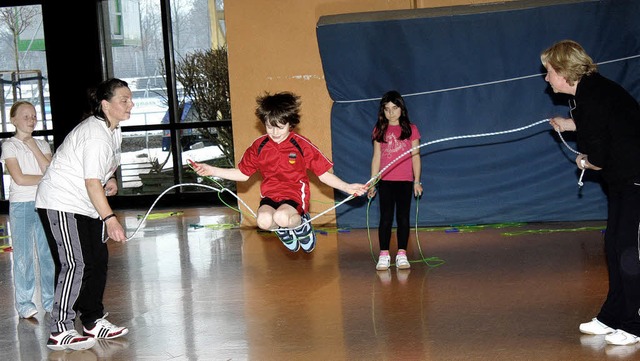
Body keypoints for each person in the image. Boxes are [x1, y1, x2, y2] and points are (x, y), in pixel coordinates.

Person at [542, 40, 640, 346]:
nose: (546, 79)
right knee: (613, 245)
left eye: (548, 72)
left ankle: (636, 323)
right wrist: (568, 125)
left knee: (629, 251)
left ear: (563, 71)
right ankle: (613, 316)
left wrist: (584, 160)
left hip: (636, 178)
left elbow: (597, 155)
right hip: (623, 180)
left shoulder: (593, 96)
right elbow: (598, 123)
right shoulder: (588, 93)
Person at [192, 91, 367, 253]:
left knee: (282, 216)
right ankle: (284, 231)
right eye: (269, 127)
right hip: (270, 195)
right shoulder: (259, 146)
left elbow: (323, 174)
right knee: (263, 222)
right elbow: (243, 174)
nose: (274, 132)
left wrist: (347, 187)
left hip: (294, 195)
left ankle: (302, 224)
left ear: (291, 124)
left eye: (280, 127)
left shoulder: (301, 145)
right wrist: (211, 170)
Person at [35, 78, 132, 351]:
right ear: (105, 104)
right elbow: (91, 182)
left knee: (97, 261)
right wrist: (110, 218)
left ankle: (92, 320)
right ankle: (60, 329)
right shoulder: (95, 134)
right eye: (123, 100)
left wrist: (110, 178)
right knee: (75, 264)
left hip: (86, 203)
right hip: (62, 202)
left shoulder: (113, 131)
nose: (130, 104)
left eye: (130, 99)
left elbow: (100, 172)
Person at [0, 101, 54, 319]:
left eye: (34, 116)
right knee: (23, 257)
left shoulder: (42, 144)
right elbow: (20, 179)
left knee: (48, 254)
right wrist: (47, 178)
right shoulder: (9, 146)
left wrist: (32, 146)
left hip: (44, 203)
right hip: (21, 205)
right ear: (13, 120)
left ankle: (51, 301)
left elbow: (51, 170)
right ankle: (24, 303)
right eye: (26, 116)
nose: (31, 120)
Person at [367, 91, 422, 271]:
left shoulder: (411, 129)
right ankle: (384, 254)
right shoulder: (379, 129)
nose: (391, 113)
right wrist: (373, 182)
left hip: (405, 181)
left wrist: (417, 181)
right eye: (387, 109)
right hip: (386, 181)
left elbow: (416, 157)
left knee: (403, 218)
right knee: (386, 219)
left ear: (401, 108)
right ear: (383, 111)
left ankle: (401, 254)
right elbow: (376, 157)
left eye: (395, 108)